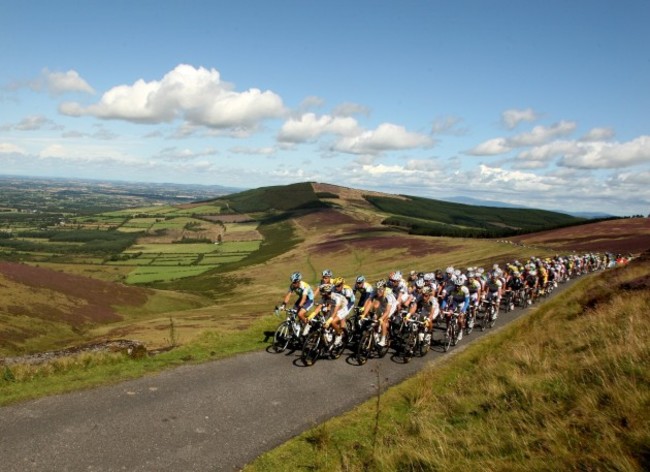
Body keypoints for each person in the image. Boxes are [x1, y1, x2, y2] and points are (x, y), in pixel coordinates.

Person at [362, 279, 397, 347]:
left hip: (391, 305)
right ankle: (377, 332)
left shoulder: (388, 295)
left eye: (380, 289)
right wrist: (363, 314)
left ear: (384, 289)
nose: (378, 291)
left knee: (383, 320)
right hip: (382, 303)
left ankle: (383, 340)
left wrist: (382, 318)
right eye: (377, 289)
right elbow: (369, 304)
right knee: (375, 318)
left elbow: (387, 311)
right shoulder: (374, 292)